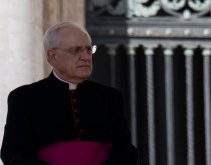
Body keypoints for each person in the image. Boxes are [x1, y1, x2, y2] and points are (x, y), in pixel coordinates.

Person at [1, 21, 138, 165]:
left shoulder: (110, 97)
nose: (86, 57)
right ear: (53, 56)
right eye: (76, 50)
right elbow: (14, 154)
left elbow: (126, 150)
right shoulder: (25, 98)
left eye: (88, 49)